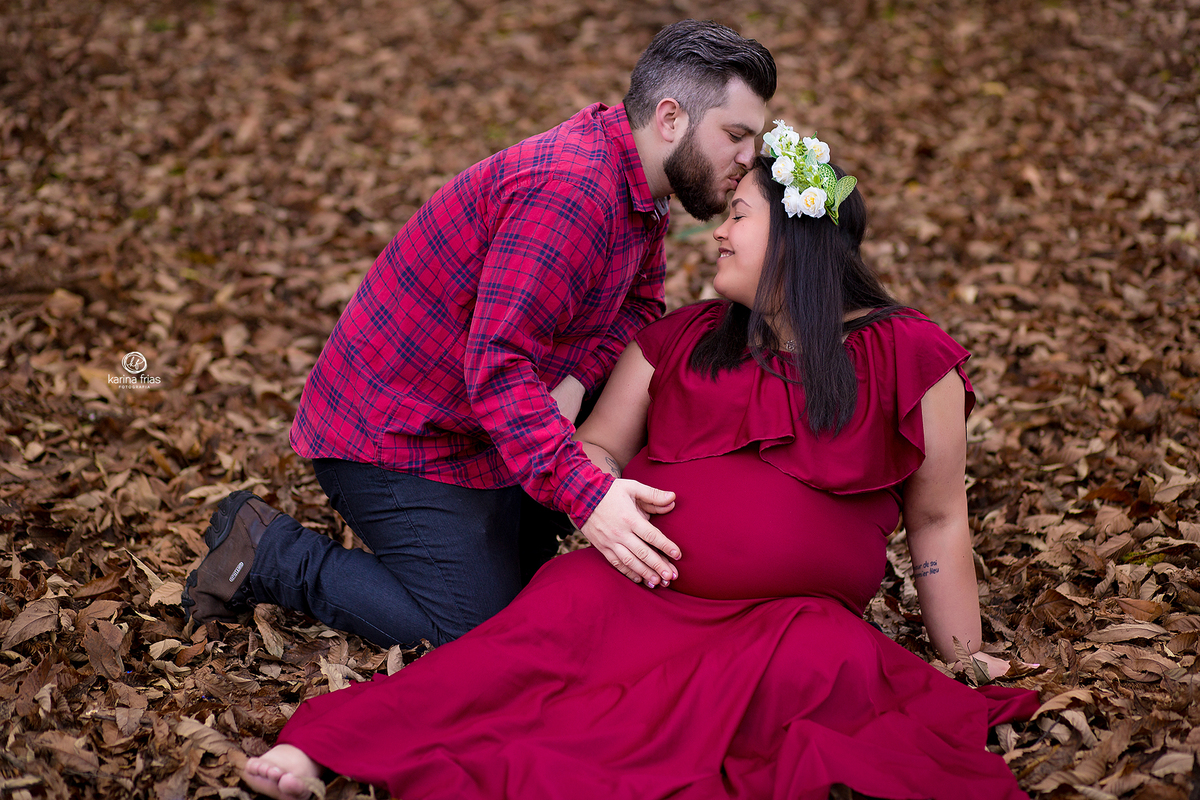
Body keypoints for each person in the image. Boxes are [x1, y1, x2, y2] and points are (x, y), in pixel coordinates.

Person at [240, 127, 1041, 800]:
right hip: (632, 586)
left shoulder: (911, 356)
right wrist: (603, 499)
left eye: (739, 214)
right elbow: (597, 446)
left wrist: (963, 653)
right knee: (513, 649)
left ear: (799, 237)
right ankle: (329, 745)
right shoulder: (678, 340)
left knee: (822, 668)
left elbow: (939, 518)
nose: (717, 232)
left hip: (787, 622)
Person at [181, 20, 777, 648]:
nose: (748, 158)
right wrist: (588, 497)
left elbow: (639, 306)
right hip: (395, 433)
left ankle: (515, 530)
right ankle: (268, 551)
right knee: (470, 633)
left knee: (638, 386)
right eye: (735, 135)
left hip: (479, 418)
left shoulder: (642, 184)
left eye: (753, 139)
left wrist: (576, 383)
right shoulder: (573, 193)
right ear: (670, 118)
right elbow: (497, 364)